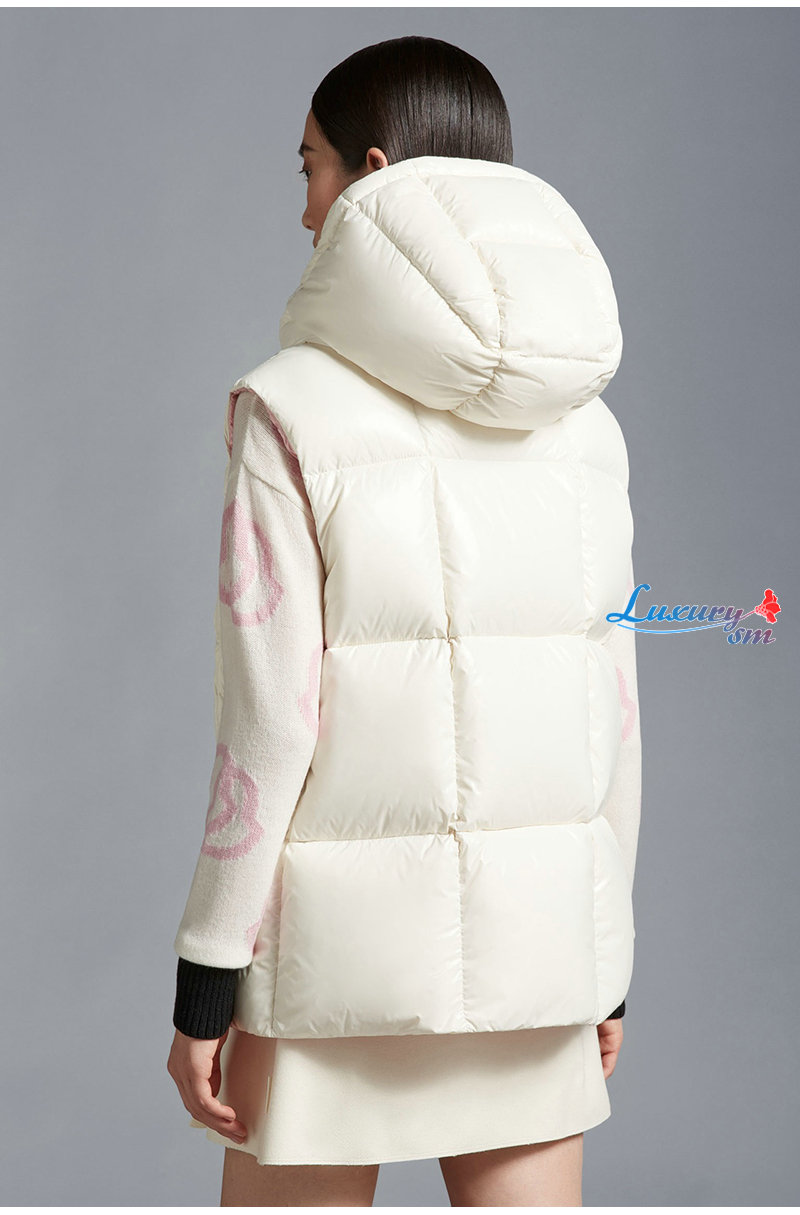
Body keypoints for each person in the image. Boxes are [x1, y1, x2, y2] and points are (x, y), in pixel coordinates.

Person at [167, 35, 641, 1208]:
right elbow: (612, 716)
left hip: (333, 977)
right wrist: (607, 962)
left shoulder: (287, 408)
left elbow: (270, 725)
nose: (304, 208)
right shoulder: (585, 426)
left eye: (310, 168)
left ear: (371, 171)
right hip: (541, 958)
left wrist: (206, 978)